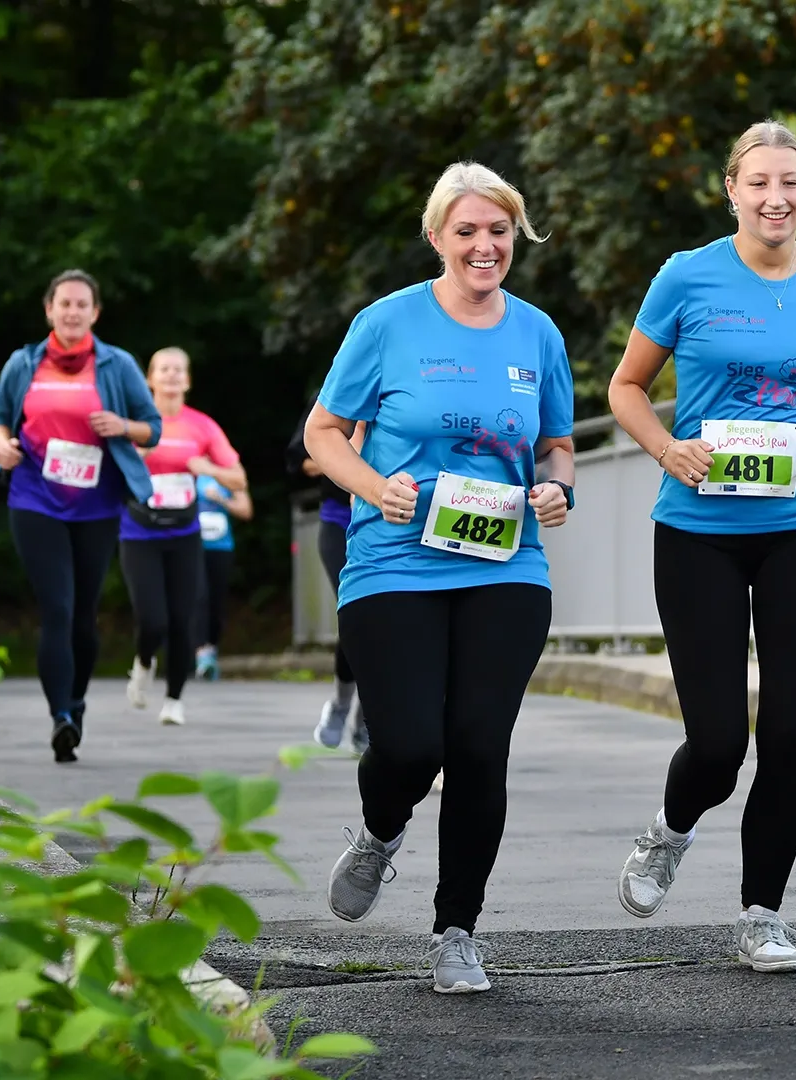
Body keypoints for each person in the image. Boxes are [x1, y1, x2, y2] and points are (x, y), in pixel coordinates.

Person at [607, 120, 796, 974]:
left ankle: (763, 914)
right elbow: (626, 388)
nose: (776, 198)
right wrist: (667, 449)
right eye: (759, 182)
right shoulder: (686, 276)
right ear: (731, 190)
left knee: (790, 735)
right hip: (699, 532)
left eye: (790, 182)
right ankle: (670, 831)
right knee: (720, 742)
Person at [304, 161, 575, 995]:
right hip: (394, 560)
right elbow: (323, 432)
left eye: (499, 230)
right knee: (412, 745)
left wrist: (558, 488)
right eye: (467, 231)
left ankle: (457, 931)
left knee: (480, 747)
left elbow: (556, 444)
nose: (484, 246)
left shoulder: (538, 333)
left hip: (505, 563)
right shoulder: (386, 323)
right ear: (436, 238)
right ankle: (379, 832)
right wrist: (371, 485)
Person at [0, 270, 161, 763]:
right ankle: (60, 715)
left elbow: (152, 428)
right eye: (64, 303)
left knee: (84, 613)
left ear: (95, 313)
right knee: (57, 608)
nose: (72, 312)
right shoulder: (23, 363)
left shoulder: (117, 364)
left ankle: (77, 702)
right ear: (49, 309)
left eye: (82, 304)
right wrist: (3, 446)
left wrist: (122, 425)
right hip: (35, 497)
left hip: (97, 503)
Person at [120, 347, 247, 726]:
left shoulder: (202, 426)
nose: (172, 375)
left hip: (185, 534)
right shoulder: (134, 425)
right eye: (164, 369)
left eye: (179, 370)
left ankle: (174, 700)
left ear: (188, 380)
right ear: (150, 379)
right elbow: (109, 475)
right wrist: (138, 460)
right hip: (139, 533)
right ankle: (143, 662)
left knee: (182, 619)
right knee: (152, 619)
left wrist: (207, 467)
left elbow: (238, 479)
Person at [287, 396, 369, 753]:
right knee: (356, 615)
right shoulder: (337, 391)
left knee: (385, 622)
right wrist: (340, 458)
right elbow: (298, 460)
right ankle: (340, 703)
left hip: (389, 523)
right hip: (340, 522)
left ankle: (367, 720)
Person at [192, 470, 253, 681]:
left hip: (221, 547)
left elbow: (246, 510)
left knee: (216, 601)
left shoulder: (228, 472)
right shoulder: (189, 470)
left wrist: (220, 499)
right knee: (199, 596)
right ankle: (200, 653)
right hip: (192, 547)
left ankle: (211, 649)